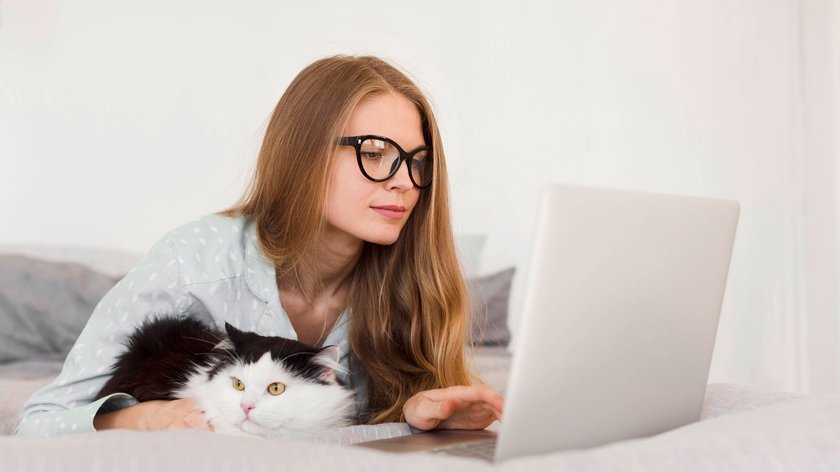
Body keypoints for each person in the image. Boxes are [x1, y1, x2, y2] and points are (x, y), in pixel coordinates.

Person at [15, 55, 503, 436]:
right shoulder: (192, 261)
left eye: (417, 162)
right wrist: (145, 419)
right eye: (375, 153)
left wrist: (417, 414)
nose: (405, 183)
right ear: (302, 156)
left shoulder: (415, 280)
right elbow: (39, 422)